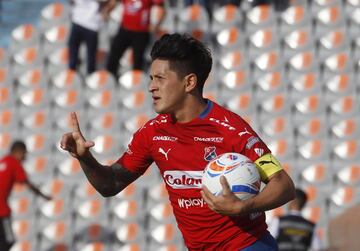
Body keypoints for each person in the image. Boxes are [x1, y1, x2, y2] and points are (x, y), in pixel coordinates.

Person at [60, 33, 295, 250]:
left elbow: (283, 185)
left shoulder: (231, 130)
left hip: (247, 245)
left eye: (160, 78)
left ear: (189, 82)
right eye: (151, 78)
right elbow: (110, 185)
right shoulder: (152, 132)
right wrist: (85, 158)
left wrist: (244, 207)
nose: (151, 86)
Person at [0, 141, 52, 251]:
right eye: (24, 153)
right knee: (9, 241)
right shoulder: (14, 163)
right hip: (2, 210)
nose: (24, 157)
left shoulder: (3, 161)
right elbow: (27, 183)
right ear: (18, 152)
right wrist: (44, 196)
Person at [106, 0, 166, 78]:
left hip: (141, 32)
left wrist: (156, 25)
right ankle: (110, 77)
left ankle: (137, 80)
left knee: (138, 59)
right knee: (114, 53)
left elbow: (161, 7)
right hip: (125, 29)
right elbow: (113, 2)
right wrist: (107, 11)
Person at [68, 0, 115, 74]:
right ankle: (72, 73)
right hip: (77, 21)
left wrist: (106, 10)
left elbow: (112, 2)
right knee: (73, 50)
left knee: (91, 55)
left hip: (92, 25)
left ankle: (90, 76)